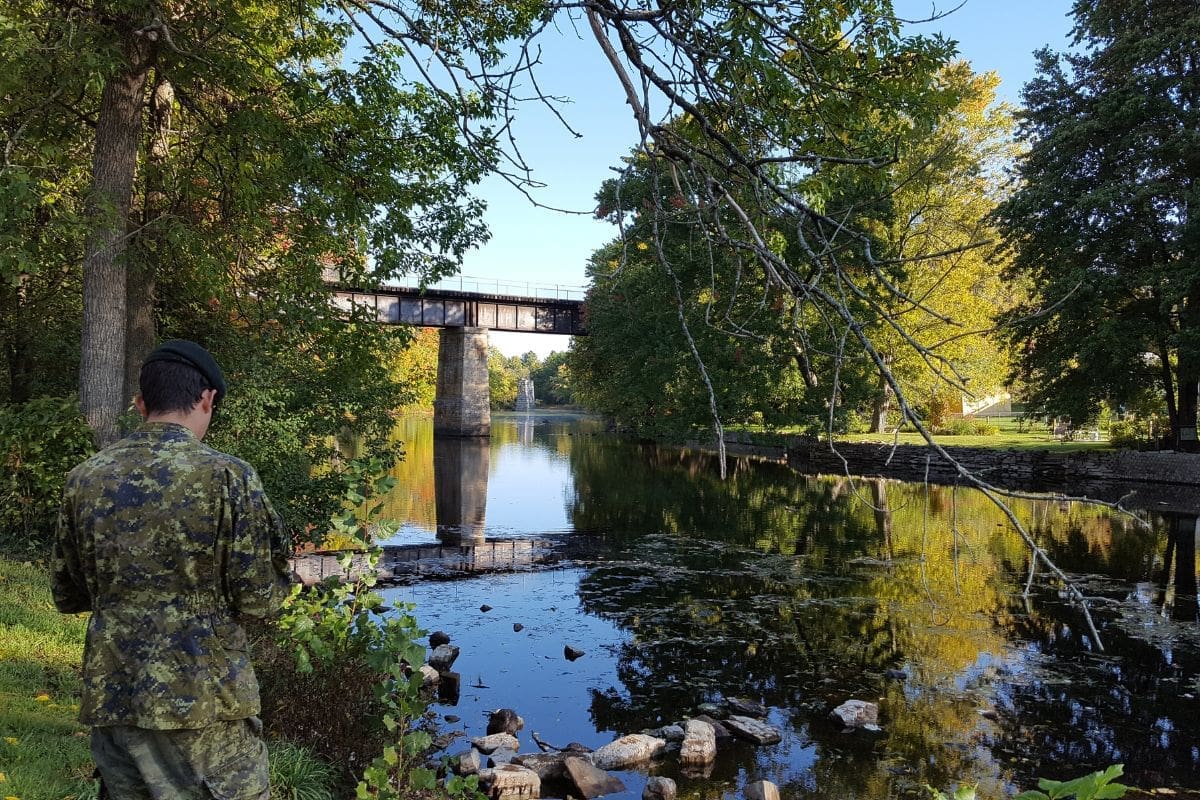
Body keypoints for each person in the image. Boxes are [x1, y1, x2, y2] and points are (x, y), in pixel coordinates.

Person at [52, 340, 293, 799]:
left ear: (142, 404)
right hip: (205, 704)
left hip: (116, 698)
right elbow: (260, 597)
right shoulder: (229, 478)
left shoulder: (84, 479)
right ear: (207, 399)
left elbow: (67, 595)